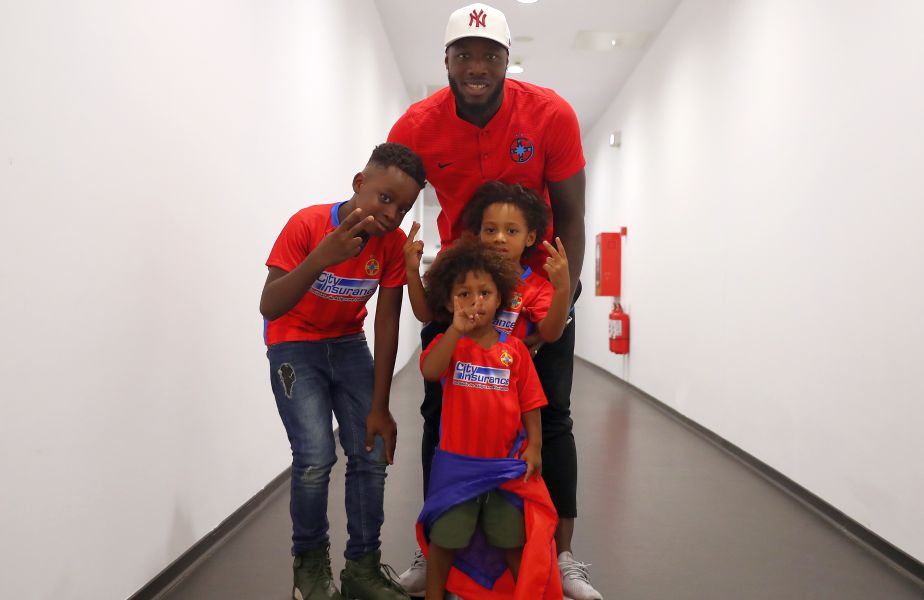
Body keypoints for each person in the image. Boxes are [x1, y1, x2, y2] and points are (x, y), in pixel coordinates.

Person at [388, 3, 600, 598]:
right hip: (462, 293)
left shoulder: (550, 114)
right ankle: (434, 546)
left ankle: (562, 556)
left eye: (490, 56)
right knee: (440, 414)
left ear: (508, 60)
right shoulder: (417, 126)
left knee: (551, 418)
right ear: (447, 61)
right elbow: (390, 198)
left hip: (537, 291)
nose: (477, 67)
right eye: (464, 55)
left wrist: (562, 299)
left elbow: (573, 217)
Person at [260, 143, 424, 600]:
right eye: (385, 198)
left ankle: (362, 570)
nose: (391, 214)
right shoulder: (308, 224)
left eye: (403, 207)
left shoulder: (391, 244)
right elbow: (269, 305)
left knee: (372, 450)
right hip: (294, 344)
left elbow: (386, 322)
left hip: (348, 344)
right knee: (315, 457)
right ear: (359, 183)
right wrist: (321, 258)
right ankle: (309, 569)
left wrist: (380, 406)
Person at [415, 238, 562, 599]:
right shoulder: (450, 345)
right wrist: (454, 330)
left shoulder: (515, 351)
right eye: (463, 294)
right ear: (448, 301)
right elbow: (431, 371)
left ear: (500, 299)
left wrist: (535, 446)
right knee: (445, 539)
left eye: (484, 293)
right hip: (457, 467)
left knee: (512, 539)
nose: (474, 302)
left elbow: (530, 403)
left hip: (505, 466)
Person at [404, 181, 570, 347]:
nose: (499, 238)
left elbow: (549, 334)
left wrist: (562, 290)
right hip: (460, 362)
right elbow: (425, 314)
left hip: (511, 364)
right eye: (490, 230)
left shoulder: (537, 289)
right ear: (479, 234)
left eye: (511, 231)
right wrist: (412, 271)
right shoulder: (462, 275)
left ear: (530, 238)